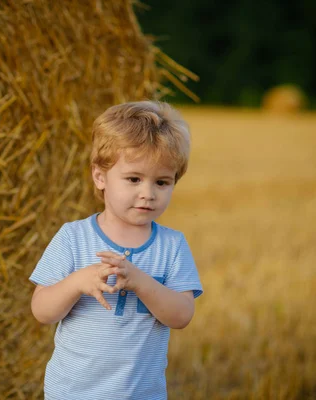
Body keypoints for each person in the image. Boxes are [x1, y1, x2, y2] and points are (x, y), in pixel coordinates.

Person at [29, 100, 203, 400]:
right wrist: (77, 282)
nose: (147, 193)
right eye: (134, 179)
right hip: (71, 393)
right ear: (100, 177)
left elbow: (182, 315)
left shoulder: (172, 246)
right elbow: (41, 311)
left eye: (162, 182)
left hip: (141, 394)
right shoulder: (73, 237)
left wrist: (140, 281)